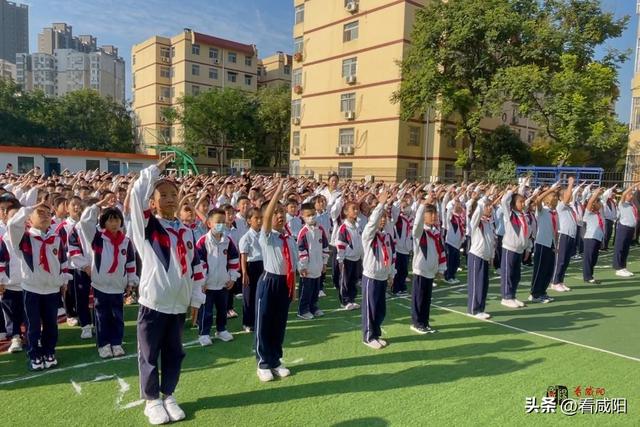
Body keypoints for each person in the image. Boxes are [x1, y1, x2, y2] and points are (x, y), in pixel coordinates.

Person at [129, 153, 206, 425]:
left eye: (174, 193)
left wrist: (196, 299)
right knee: (149, 355)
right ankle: (152, 400)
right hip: (153, 304)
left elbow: (196, 268)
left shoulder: (186, 231)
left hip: (178, 305)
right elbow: (136, 194)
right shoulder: (147, 227)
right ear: (153, 202)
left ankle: (168, 393)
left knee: (175, 353)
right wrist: (154, 170)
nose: (170, 198)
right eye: (163, 194)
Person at [6, 198, 71, 370]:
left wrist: (63, 281)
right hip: (31, 289)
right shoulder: (23, 238)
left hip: (52, 289)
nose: (44, 216)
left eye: (47, 214)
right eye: (39, 213)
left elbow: (62, 260)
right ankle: (34, 354)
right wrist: (30, 208)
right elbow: (13, 225)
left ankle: (49, 351)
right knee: (32, 325)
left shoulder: (56, 237)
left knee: (51, 324)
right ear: (29, 218)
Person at [76, 198, 138, 358]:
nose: (114, 223)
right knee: (102, 316)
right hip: (101, 284)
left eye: (117, 220)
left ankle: (116, 342)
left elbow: (130, 262)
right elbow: (85, 222)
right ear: (103, 222)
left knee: (117, 315)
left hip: (118, 285)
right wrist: (97, 205)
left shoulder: (126, 241)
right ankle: (103, 344)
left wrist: (131, 280)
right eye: (110, 220)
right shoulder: (98, 238)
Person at [255, 179, 297, 382]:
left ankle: (275, 360)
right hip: (269, 282)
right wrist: (277, 193)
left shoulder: (289, 238)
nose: (280, 215)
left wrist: (293, 287)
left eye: (283, 212)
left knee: (279, 324)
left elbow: (293, 266)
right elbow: (267, 216)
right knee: (264, 323)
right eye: (276, 212)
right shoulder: (267, 237)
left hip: (285, 283)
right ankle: (263, 362)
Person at [195, 208, 240, 346]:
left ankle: (221, 330)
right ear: (209, 223)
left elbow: (233, 260)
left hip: (223, 284)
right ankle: (204, 333)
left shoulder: (228, 241)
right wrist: (201, 281)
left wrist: (232, 278)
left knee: (222, 309)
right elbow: (199, 263)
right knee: (206, 311)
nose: (220, 225)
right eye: (217, 222)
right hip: (207, 285)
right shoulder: (202, 242)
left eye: (222, 222)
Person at [361, 190, 395, 348]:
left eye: (384, 218)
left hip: (382, 275)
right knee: (370, 307)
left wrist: (390, 273)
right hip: (371, 276)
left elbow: (389, 255)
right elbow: (372, 223)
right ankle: (368, 336)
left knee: (380, 308)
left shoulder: (386, 236)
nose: (382, 221)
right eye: (380, 218)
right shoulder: (368, 235)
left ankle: (376, 333)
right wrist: (380, 205)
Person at [410, 199, 446, 334]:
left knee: (426, 299)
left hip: (431, 270)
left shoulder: (436, 232)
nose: (433, 216)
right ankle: (416, 322)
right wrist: (421, 206)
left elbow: (440, 250)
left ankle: (424, 322)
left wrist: (441, 268)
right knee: (418, 298)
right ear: (423, 216)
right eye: (430, 213)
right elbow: (416, 226)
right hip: (420, 270)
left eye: (435, 214)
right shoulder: (421, 232)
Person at [528, 182, 561, 304]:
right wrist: (550, 190)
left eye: (556, 197)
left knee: (548, 270)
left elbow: (556, 230)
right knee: (539, 270)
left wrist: (556, 245)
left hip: (551, 244)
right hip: (542, 244)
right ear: (547, 200)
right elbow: (538, 200)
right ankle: (534, 293)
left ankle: (543, 291)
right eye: (553, 196)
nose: (556, 199)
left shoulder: (555, 213)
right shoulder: (542, 211)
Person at [296, 202, 329, 320]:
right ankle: (303, 310)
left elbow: (325, 246)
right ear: (302, 216)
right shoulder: (303, 233)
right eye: (308, 215)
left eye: (313, 214)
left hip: (318, 265)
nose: (312, 217)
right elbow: (301, 250)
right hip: (307, 268)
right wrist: (303, 266)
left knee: (315, 290)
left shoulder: (320, 229)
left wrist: (324, 263)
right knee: (306, 290)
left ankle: (313, 307)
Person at [0, 203, 25, 353]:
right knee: (11, 313)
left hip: (29, 283)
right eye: (12, 217)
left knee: (29, 312)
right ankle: (15, 337)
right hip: (10, 283)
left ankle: (31, 336)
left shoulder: (30, 235)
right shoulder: (3, 238)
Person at [467, 194, 496, 319]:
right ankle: (473, 309)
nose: (490, 208)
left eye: (490, 206)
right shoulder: (476, 222)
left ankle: (480, 308)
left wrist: (491, 256)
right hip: (476, 256)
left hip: (485, 257)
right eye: (487, 206)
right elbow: (477, 213)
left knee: (483, 284)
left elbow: (491, 241)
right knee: (476, 283)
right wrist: (482, 200)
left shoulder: (489, 222)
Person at [500, 185, 529, 308]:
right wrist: (511, 191)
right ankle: (506, 297)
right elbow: (503, 201)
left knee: (516, 275)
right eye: (520, 202)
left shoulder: (524, 216)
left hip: (520, 249)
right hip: (510, 248)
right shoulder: (510, 215)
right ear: (513, 204)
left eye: (523, 202)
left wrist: (528, 247)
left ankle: (512, 295)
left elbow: (527, 233)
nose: (523, 204)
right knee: (508, 273)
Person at [335, 199, 364, 310]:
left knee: (353, 280)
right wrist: (340, 259)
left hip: (356, 258)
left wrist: (361, 256)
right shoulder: (343, 228)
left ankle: (352, 299)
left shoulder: (358, 226)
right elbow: (340, 244)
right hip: (347, 258)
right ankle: (345, 301)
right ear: (346, 212)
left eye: (357, 209)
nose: (356, 211)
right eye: (353, 209)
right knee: (345, 281)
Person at [239, 207, 263, 332]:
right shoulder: (246, 237)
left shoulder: (264, 234)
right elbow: (243, 255)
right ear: (249, 220)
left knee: (261, 294)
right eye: (256, 218)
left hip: (262, 266)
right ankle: (247, 322)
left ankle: (259, 320)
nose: (259, 221)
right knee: (249, 296)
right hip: (251, 267)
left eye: (261, 218)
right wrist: (244, 273)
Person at [550, 177, 576, 292]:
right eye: (567, 194)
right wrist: (571, 184)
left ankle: (560, 281)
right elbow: (566, 198)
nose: (570, 196)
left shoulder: (569, 207)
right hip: (563, 235)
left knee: (566, 260)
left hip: (570, 235)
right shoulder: (560, 205)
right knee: (560, 260)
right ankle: (554, 282)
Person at [612, 183, 640, 277]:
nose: (631, 196)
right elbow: (623, 195)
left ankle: (623, 267)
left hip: (630, 228)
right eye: (629, 194)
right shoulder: (622, 204)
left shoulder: (631, 205)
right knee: (620, 248)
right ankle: (618, 268)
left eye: (631, 194)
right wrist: (633, 186)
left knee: (626, 249)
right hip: (623, 227)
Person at [582, 187, 605, 284]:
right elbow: (590, 202)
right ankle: (587, 276)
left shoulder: (599, 213)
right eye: (597, 202)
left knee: (594, 258)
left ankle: (590, 275)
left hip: (598, 237)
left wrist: (599, 194)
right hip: (590, 238)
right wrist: (595, 194)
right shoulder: (588, 213)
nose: (599, 203)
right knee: (589, 258)